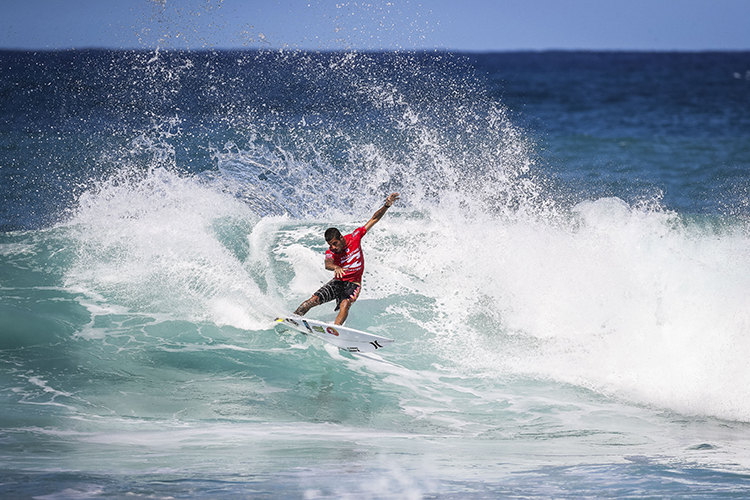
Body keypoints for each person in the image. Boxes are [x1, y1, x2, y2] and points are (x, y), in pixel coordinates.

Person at [294, 192, 400, 325]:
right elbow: (328, 264)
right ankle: (292, 320)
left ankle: (335, 331)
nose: (333, 247)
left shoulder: (355, 237)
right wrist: (336, 267)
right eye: (330, 245)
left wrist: (386, 205)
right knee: (311, 301)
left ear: (341, 238)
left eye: (335, 243)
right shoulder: (330, 251)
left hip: (353, 284)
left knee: (345, 304)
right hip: (338, 282)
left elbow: (373, 219)